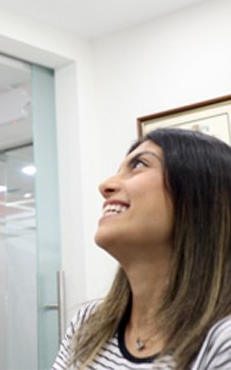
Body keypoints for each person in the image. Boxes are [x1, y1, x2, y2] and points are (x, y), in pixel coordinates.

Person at [52, 127, 231, 369]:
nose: (105, 186)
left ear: (200, 198)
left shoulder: (223, 338)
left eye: (138, 165)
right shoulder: (87, 324)